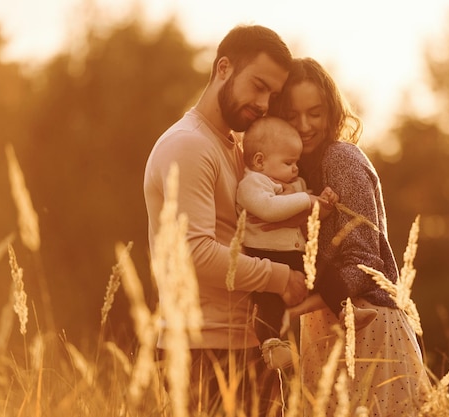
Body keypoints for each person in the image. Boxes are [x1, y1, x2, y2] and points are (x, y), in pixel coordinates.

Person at [143, 25, 308, 416]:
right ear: (223, 68)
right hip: (203, 351)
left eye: (272, 94)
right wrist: (281, 278)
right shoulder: (188, 145)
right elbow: (194, 253)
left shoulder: (236, 148)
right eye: (257, 85)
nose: (264, 103)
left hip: (245, 344)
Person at [268, 57, 432, 416]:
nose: (305, 125)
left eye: (315, 113)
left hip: (370, 325)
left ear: (332, 112)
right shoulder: (296, 174)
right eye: (293, 115)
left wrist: (292, 302)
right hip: (324, 328)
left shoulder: (340, 158)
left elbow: (363, 261)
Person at [236, 116, 378, 370]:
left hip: (295, 253)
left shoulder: (295, 184)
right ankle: (272, 346)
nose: (295, 169)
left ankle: (346, 311)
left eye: (296, 163)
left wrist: (323, 203)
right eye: (288, 162)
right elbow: (268, 208)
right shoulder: (253, 183)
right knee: (268, 302)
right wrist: (305, 198)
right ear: (259, 161)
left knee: (326, 273)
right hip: (266, 254)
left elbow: (311, 214)